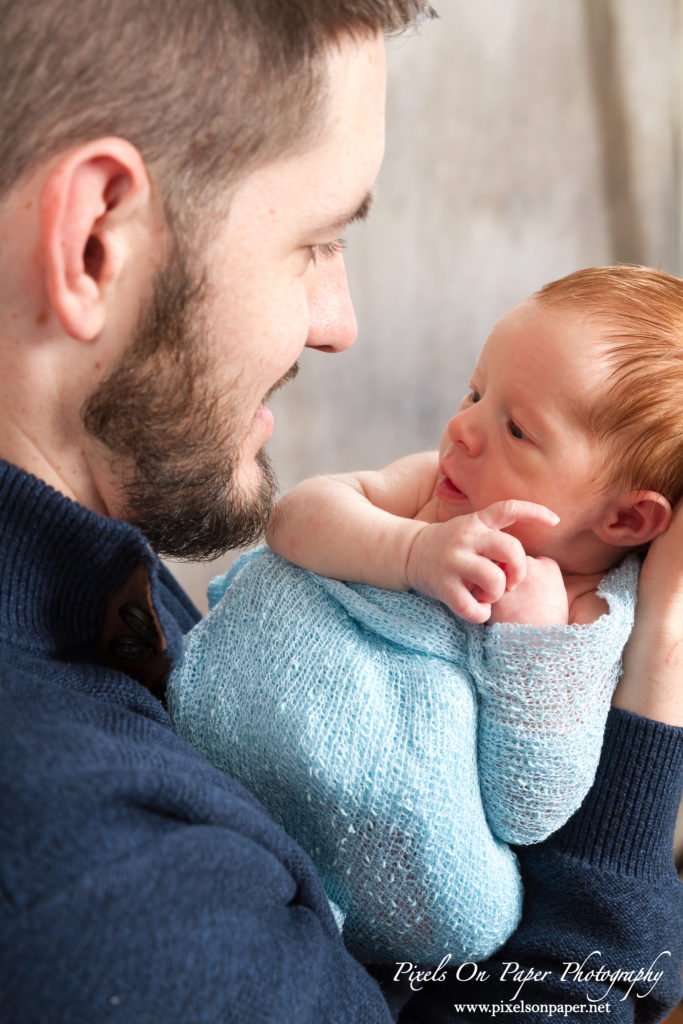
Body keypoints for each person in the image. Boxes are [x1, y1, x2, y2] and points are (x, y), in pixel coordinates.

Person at [0, 1, 679, 1021]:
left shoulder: (83, 586)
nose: (341, 323)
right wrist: (657, 681)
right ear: (95, 239)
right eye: (316, 242)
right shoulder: (111, 899)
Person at [167, 265, 677, 967]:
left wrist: (526, 646)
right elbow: (295, 520)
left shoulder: (588, 625)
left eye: (517, 429)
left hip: (399, 852)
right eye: (475, 391)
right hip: (251, 718)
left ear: (625, 516)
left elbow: (527, 809)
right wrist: (410, 550)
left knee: (482, 908)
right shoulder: (433, 496)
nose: (462, 428)